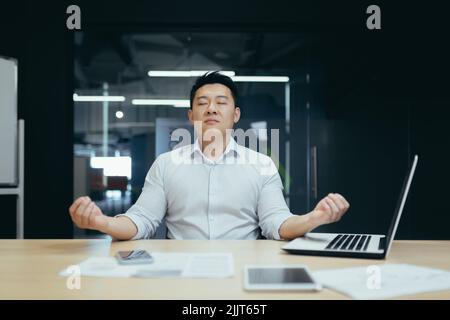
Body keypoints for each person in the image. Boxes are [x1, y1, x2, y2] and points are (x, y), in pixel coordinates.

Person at [69, 71, 350, 240]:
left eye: (221, 103)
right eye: (202, 103)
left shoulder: (261, 165)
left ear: (235, 115)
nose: (212, 109)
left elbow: (277, 224)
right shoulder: (166, 165)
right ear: (192, 116)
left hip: (241, 271)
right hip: (180, 275)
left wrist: (315, 218)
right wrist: (101, 222)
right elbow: (141, 221)